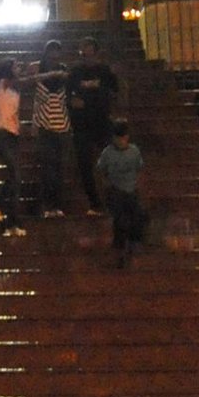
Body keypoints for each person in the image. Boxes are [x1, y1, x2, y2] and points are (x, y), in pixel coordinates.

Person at [66, 37, 122, 214]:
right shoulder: (75, 71)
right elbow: (67, 94)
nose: (87, 55)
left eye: (90, 51)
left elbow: (116, 89)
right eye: (84, 51)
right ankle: (94, 202)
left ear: (96, 52)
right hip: (81, 123)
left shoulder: (104, 70)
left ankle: (113, 199)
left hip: (101, 121)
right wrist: (72, 101)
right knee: (84, 164)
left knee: (110, 161)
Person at [95, 118, 146, 266]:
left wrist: (139, 188)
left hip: (131, 191)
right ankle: (120, 249)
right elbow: (100, 172)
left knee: (139, 215)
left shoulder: (134, 151)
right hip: (115, 192)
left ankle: (134, 244)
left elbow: (140, 170)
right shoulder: (108, 153)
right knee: (121, 219)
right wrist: (106, 187)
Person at [31, 40, 72, 216]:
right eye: (51, 55)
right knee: (47, 168)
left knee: (59, 168)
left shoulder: (64, 73)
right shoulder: (39, 71)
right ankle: (48, 205)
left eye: (57, 56)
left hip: (62, 126)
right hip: (45, 126)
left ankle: (57, 205)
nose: (54, 59)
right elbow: (36, 103)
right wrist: (35, 124)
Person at [0, 56, 29, 235]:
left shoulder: (15, 89)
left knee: (15, 177)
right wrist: (52, 73)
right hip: (2, 133)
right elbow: (29, 78)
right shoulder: (3, 83)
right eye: (15, 66)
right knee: (15, 176)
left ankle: (0, 205)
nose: (18, 68)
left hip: (13, 134)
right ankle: (12, 222)